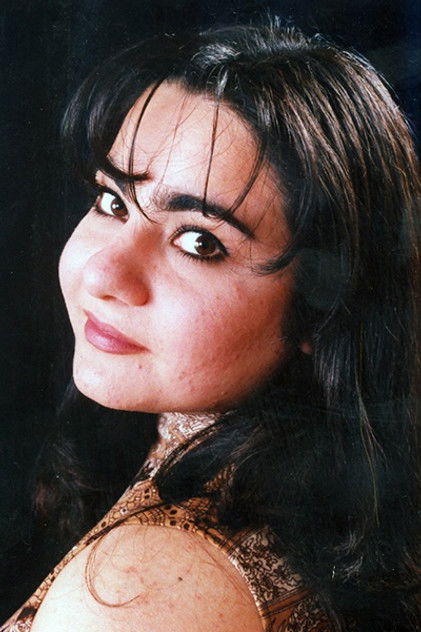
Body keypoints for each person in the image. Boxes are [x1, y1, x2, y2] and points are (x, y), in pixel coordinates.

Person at [2, 21, 419, 632]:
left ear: (325, 307)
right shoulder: (319, 517)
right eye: (114, 201)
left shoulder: (129, 595)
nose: (104, 273)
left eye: (200, 241)